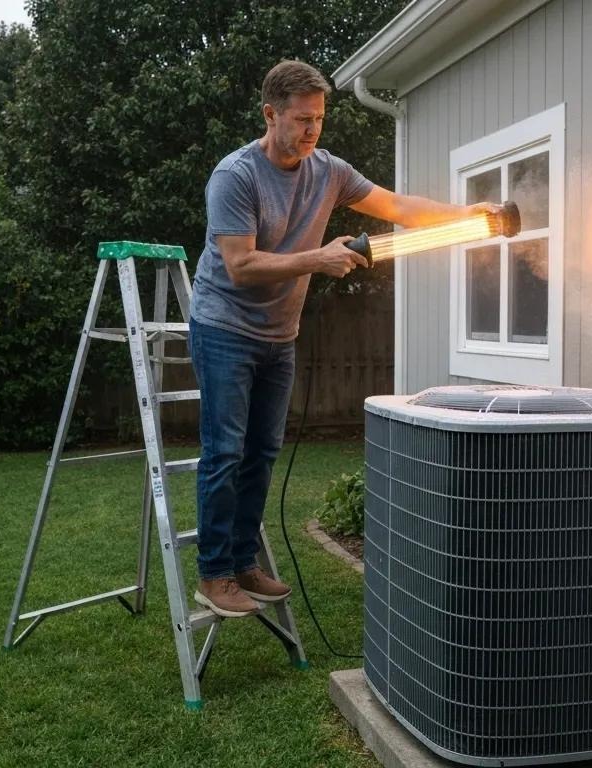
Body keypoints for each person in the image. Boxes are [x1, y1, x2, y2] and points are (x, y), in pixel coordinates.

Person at [189, 59, 499, 617]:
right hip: (225, 329)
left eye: (320, 119)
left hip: (279, 335)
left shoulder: (328, 170)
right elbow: (239, 265)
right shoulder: (234, 177)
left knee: (261, 452)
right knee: (225, 452)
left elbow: (397, 206)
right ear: (270, 114)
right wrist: (320, 257)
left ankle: (243, 562)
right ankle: (214, 573)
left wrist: (467, 213)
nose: (312, 130)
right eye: (303, 119)